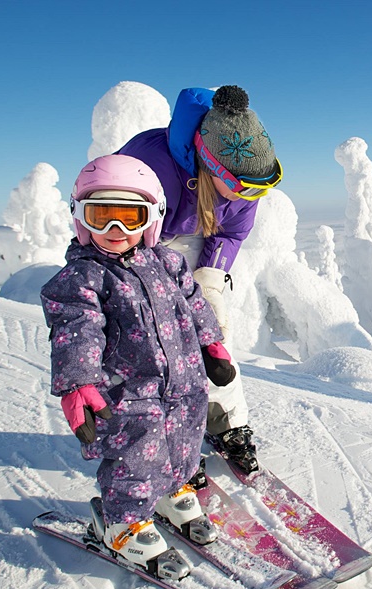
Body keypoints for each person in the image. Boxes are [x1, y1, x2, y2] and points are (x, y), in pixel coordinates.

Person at [41, 154, 238, 578]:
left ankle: (170, 492)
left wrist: (211, 344)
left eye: (130, 218)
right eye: (101, 217)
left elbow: (193, 301)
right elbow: (77, 328)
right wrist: (79, 385)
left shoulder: (167, 262)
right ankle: (122, 523)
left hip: (184, 384)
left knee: (185, 443)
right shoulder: (83, 278)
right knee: (135, 458)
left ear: (151, 219)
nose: (116, 231)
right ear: (80, 218)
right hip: (128, 394)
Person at [116, 84, 282, 475]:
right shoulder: (149, 164)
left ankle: (227, 424)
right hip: (138, 239)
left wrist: (209, 280)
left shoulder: (242, 190)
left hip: (195, 236)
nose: (253, 195)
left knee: (210, 337)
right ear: (212, 165)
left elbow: (231, 234)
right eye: (246, 185)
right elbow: (114, 224)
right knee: (154, 343)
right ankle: (158, 431)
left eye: (264, 185)